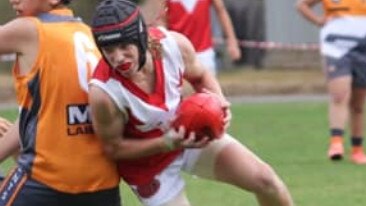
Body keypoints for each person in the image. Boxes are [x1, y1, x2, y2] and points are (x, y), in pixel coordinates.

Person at [89, 0, 294, 205]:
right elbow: (113, 148)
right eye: (109, 50)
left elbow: (201, 75)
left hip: (190, 136)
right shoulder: (104, 92)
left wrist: (218, 100)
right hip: (149, 168)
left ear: (140, 38)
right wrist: (167, 142)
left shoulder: (172, 46)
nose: (118, 58)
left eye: (124, 46)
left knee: (266, 181)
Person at [0, 0, 121, 205]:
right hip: (103, 184)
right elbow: (46, 114)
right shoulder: (88, 33)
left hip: (50, 181)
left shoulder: (30, 29)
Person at [296, 0, 366, 164]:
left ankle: (357, 150)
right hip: (336, 47)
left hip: (363, 47)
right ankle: (336, 143)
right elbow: (302, 5)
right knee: (340, 95)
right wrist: (318, 20)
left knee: (358, 103)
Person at [145, 0, 241, 74]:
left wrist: (232, 41)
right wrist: (160, 43)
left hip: (203, 52)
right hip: (178, 52)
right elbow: (161, 18)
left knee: (208, 95)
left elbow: (221, 11)